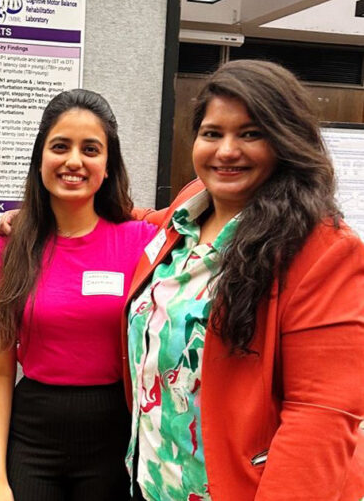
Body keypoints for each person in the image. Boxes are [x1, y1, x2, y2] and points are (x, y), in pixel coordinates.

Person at [123, 59, 364, 500]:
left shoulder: (324, 251)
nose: (226, 150)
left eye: (250, 134)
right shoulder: (190, 207)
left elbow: (322, 418)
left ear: (286, 141)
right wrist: (51, 219)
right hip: (154, 482)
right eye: (212, 133)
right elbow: (145, 221)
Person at [0, 88, 157, 501]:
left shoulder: (142, 242)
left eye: (90, 149)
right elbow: (1, 371)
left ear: (107, 165)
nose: (74, 160)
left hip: (114, 437)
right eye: (61, 146)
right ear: (41, 158)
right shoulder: (8, 249)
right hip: (33, 438)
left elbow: (204, 207)